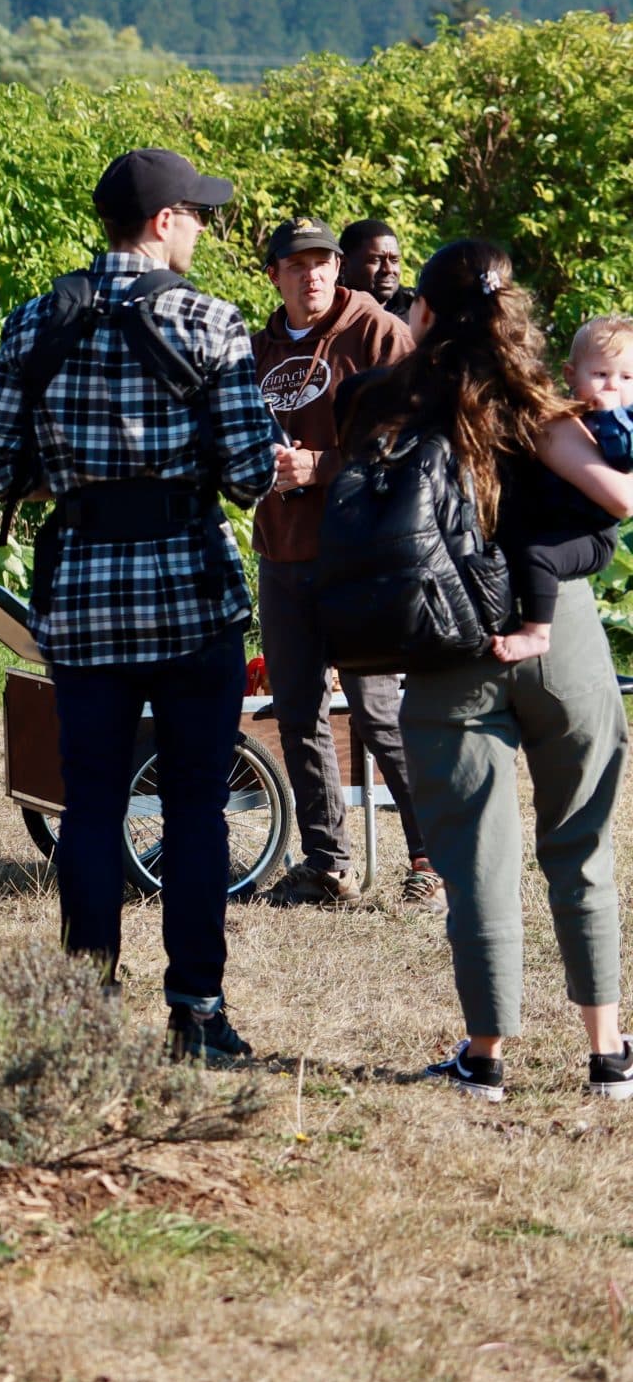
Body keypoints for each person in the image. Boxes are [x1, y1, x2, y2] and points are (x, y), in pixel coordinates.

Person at [0, 148, 277, 1061]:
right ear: (160, 222)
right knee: (195, 808)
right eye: (197, 214)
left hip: (82, 593)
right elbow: (253, 473)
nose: (203, 228)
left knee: (93, 806)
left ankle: (85, 1005)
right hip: (190, 594)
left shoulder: (33, 322)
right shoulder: (214, 323)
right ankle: (196, 1009)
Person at [337, 241, 632, 1104]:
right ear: (514, 317)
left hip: (450, 643)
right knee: (581, 850)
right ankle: (609, 1055)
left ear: (421, 312)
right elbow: (618, 499)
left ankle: (485, 1055)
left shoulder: (387, 403)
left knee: (477, 864)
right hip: (562, 635)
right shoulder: (549, 405)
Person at [246, 217, 435, 910]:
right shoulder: (254, 349)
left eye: (323, 261)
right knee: (296, 712)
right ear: (274, 275)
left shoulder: (377, 332)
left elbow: (420, 437)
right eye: (297, 265)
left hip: (361, 554)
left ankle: (431, 860)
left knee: (376, 711)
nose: (314, 274)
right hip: (282, 552)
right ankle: (328, 864)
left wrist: (321, 465)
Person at [487, 315, 633, 666]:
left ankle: (537, 632)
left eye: (626, 377)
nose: (612, 386)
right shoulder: (562, 415)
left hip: (591, 534)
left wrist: (609, 418)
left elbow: (624, 457)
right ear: (570, 376)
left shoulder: (624, 422)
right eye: (600, 375)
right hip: (553, 524)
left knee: (537, 554)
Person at [340, 219, 412, 322]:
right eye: (375, 260)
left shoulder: (417, 311)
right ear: (343, 264)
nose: (388, 269)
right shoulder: (323, 313)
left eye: (394, 260)